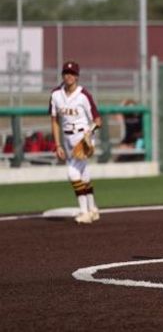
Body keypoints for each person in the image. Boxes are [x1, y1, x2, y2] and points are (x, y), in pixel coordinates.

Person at [49, 61, 102, 224]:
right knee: (84, 175)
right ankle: (93, 209)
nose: (68, 76)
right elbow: (54, 120)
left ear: (77, 76)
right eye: (66, 73)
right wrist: (57, 145)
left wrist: (90, 132)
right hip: (67, 138)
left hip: (83, 137)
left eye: (72, 73)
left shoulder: (83, 95)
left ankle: (84, 212)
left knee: (72, 174)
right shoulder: (56, 94)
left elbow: (98, 120)